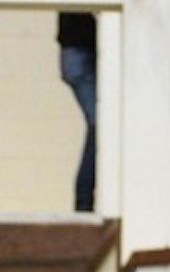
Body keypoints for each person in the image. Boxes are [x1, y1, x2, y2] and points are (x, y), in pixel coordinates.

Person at [58, 13, 98, 214]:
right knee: (102, 127)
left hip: (77, 49)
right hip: (82, 48)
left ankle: (84, 203)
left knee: (100, 127)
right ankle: (83, 204)